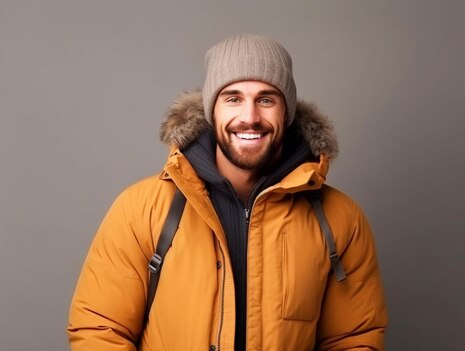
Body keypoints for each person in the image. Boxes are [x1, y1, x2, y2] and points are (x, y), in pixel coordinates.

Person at [67, 34, 387, 351]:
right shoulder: (141, 208)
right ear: (212, 110)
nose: (249, 117)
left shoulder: (339, 218)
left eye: (266, 99)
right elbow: (99, 329)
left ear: (286, 112)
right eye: (233, 98)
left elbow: (353, 339)